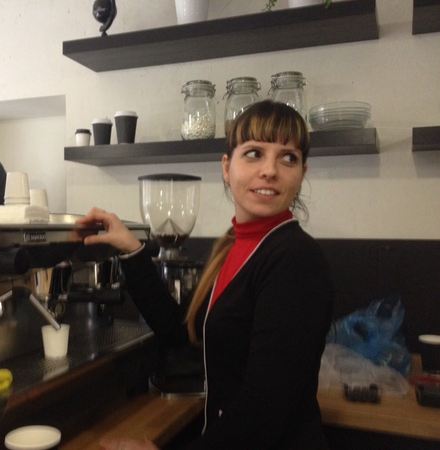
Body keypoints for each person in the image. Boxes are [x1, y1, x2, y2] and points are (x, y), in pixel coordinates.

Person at [77, 100, 334, 450]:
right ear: (226, 167)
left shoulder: (295, 259)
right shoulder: (233, 246)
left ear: (302, 172)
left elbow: (263, 414)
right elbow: (180, 330)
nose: (270, 170)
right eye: (254, 153)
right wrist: (132, 250)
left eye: (288, 158)